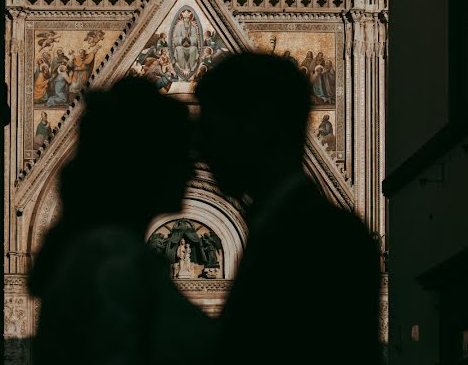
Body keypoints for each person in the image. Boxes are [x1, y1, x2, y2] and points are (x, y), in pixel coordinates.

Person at [195, 53, 381, 365]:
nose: (202, 148)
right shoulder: (280, 225)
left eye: (215, 129)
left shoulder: (324, 238)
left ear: (262, 128)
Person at [29, 77, 211, 365]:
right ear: (144, 165)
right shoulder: (112, 264)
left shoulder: (97, 254)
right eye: (179, 155)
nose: (190, 171)